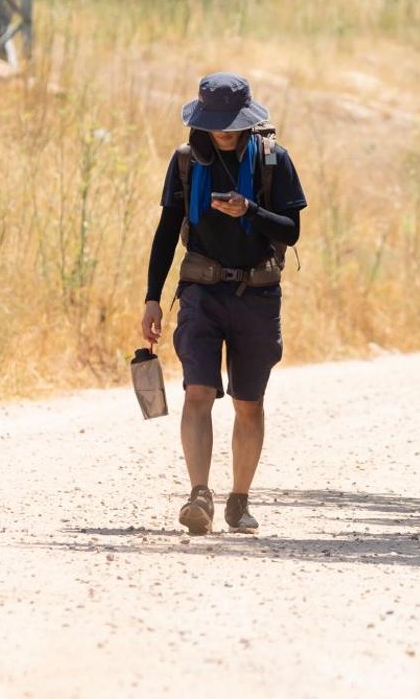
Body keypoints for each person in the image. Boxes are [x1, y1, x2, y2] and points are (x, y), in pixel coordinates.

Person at [140, 72, 307, 536]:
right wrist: (152, 298)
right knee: (198, 391)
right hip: (201, 291)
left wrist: (249, 210)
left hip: (257, 294)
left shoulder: (275, 161)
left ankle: (239, 500)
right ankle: (199, 494)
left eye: (232, 122)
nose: (224, 130)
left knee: (248, 402)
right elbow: (166, 233)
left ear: (248, 121)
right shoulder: (186, 162)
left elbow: (291, 231)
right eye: (217, 122)